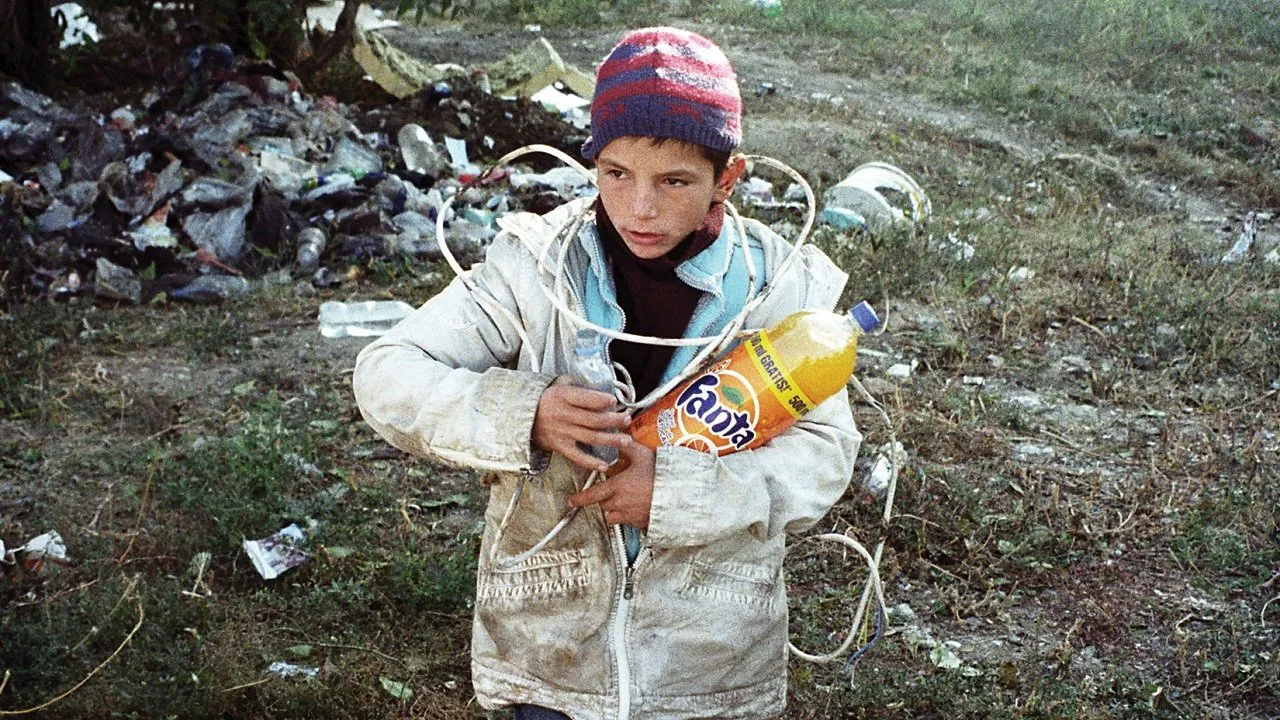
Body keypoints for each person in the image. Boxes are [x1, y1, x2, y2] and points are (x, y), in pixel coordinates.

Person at [353, 26, 860, 720]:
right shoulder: (536, 268)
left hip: (707, 667)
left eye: (675, 181)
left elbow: (825, 455)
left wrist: (681, 494)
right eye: (616, 174)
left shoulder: (779, 289)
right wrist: (523, 413)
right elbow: (387, 372)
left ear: (727, 179)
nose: (640, 208)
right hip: (550, 653)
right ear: (591, 163)